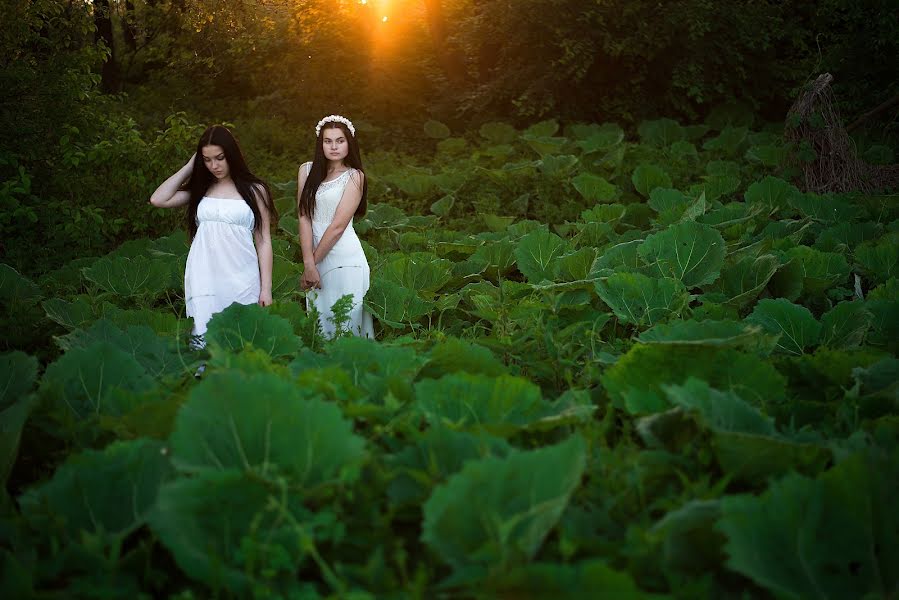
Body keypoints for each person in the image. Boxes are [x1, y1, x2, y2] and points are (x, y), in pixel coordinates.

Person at [149, 125, 277, 348]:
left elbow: (264, 240)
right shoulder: (201, 189)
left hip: (242, 276)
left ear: (232, 155)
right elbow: (158, 199)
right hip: (204, 275)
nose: (214, 166)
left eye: (219, 158)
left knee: (241, 337)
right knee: (204, 334)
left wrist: (266, 288)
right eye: (207, 160)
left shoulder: (255, 190)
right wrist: (190, 166)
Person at [297, 114, 374, 338]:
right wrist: (308, 262)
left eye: (340, 140)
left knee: (346, 322)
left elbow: (338, 226)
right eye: (327, 141)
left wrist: (312, 263)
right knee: (320, 323)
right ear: (320, 144)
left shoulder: (354, 176)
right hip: (313, 256)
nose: (333, 147)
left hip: (344, 257)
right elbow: (303, 216)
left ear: (349, 143)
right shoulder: (306, 170)